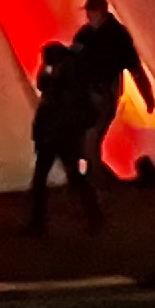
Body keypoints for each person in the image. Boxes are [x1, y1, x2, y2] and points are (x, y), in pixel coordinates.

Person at [67, 0, 155, 182]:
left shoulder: (116, 36)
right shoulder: (86, 34)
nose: (89, 16)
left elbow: (135, 67)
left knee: (91, 138)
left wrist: (147, 95)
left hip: (105, 92)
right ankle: (99, 178)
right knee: (88, 140)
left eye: (92, 12)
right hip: (87, 94)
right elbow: (72, 61)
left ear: (101, 12)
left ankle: (100, 181)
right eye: (88, 12)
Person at [23, 42, 100, 234]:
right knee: (63, 177)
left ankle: (39, 222)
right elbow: (44, 87)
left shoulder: (68, 83)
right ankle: (93, 216)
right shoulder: (65, 78)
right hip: (58, 136)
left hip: (60, 136)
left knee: (66, 177)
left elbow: (53, 100)